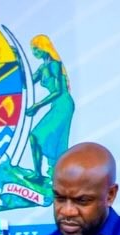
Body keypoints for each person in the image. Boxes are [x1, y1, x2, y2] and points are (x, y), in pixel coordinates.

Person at [25, 35, 74, 183]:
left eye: (36, 48)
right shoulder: (42, 68)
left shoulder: (55, 65)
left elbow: (58, 91)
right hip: (57, 105)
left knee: (37, 136)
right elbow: (26, 83)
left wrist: (37, 105)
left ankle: (39, 174)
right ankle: (40, 174)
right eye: (32, 50)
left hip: (63, 104)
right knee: (40, 138)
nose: (34, 52)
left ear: (44, 47)